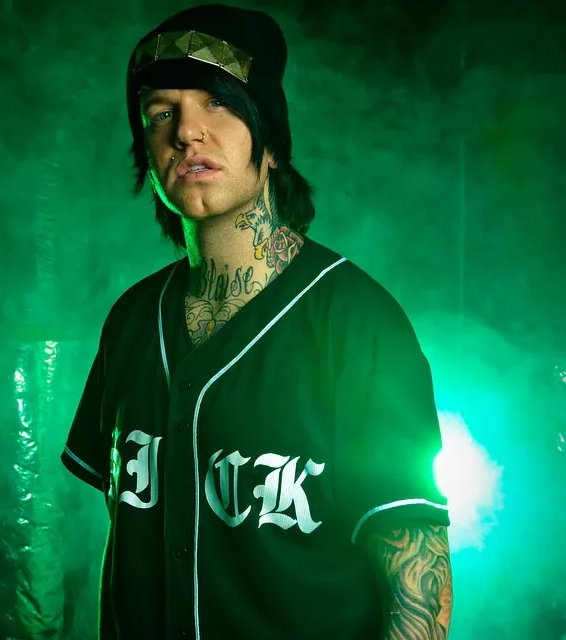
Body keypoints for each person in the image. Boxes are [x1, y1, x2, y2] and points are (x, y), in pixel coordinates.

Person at [61, 4, 453, 639]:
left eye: (216, 103)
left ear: (269, 142)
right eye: (161, 113)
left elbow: (420, 589)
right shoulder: (131, 318)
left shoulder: (356, 323)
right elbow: (127, 527)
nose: (186, 132)